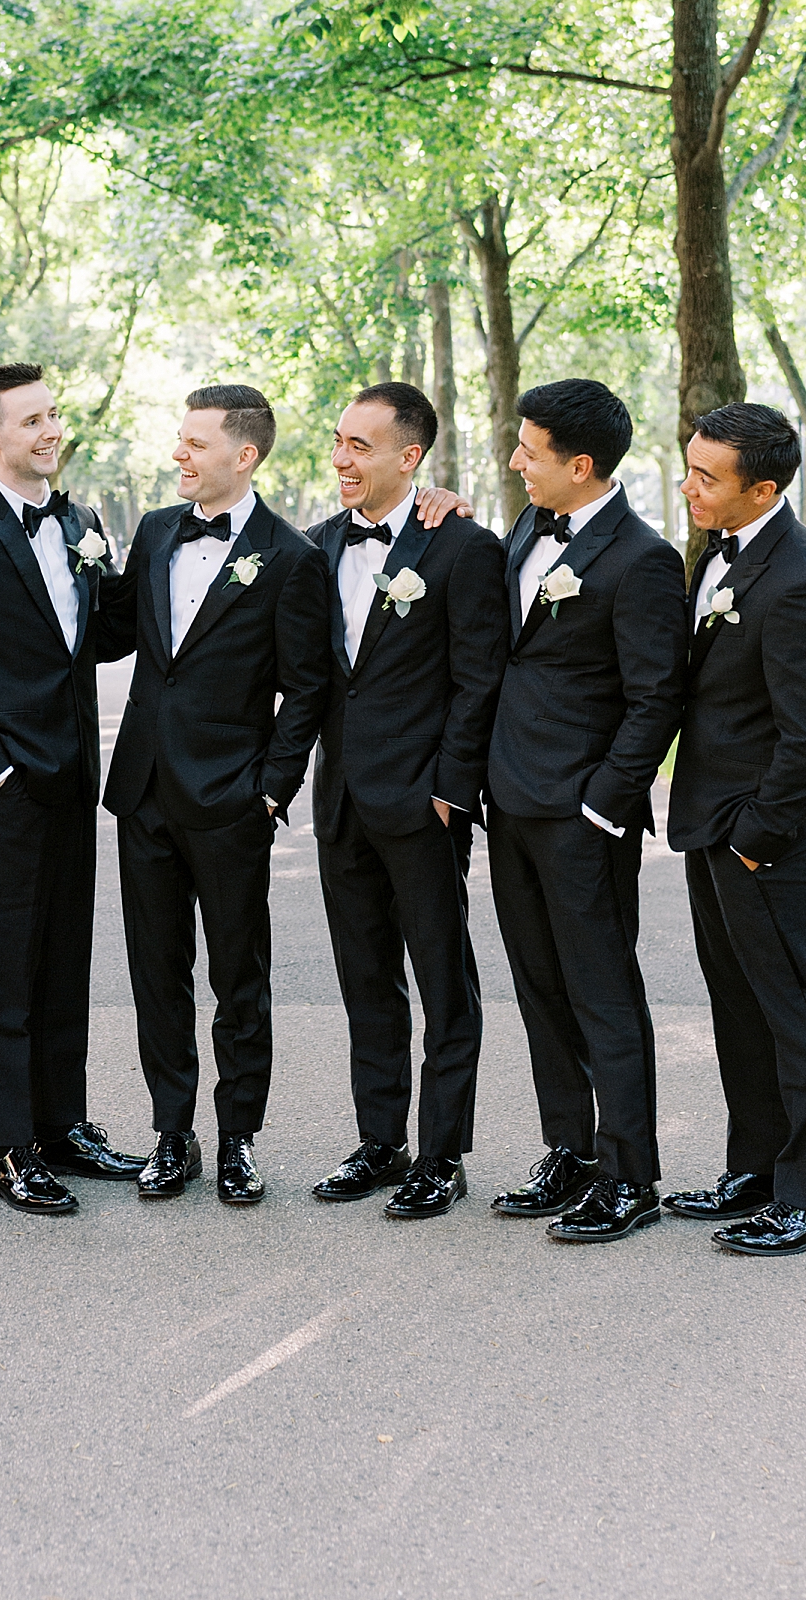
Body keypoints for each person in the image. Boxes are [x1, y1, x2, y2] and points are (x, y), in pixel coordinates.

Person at [0, 364, 145, 1217]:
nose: (51, 431)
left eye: (54, 415)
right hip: (8, 787)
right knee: (6, 966)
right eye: (32, 421)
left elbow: (107, 633)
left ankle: (63, 1124)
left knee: (65, 957)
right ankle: (11, 1145)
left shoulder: (83, 523)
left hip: (76, 778)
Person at [97, 384, 330, 1206]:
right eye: (180, 440)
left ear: (245, 454)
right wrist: (71, 558)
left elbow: (307, 689)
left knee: (240, 976)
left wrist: (271, 790)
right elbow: (112, 633)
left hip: (232, 800)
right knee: (156, 973)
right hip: (143, 795)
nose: (179, 456)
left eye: (195, 443)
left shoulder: (293, 557)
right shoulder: (156, 530)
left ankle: (238, 1139)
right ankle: (172, 1135)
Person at [486, 378, 686, 1244]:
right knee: (538, 985)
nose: (514, 461)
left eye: (528, 450)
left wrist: (603, 805)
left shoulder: (642, 559)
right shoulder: (526, 526)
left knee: (604, 993)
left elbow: (657, 698)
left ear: (582, 464)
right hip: (509, 802)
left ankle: (629, 1173)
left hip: (580, 817)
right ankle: (567, 1149)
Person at [306, 383, 509, 1220]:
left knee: (442, 981)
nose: (342, 459)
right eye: (340, 442)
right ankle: (380, 1140)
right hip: (341, 801)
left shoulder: (462, 548)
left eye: (360, 445)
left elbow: (478, 679)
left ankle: (441, 1152)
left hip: (422, 804)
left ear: (409, 457)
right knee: (366, 979)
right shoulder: (314, 548)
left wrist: (450, 791)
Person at [662, 402, 806, 1256]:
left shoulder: (802, 580)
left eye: (708, 477)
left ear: (764, 488)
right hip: (713, 823)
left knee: (801, 1013)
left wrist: (754, 836)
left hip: (764, 837)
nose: (690, 485)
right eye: (691, 466)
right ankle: (760, 1170)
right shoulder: (720, 548)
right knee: (738, 1005)